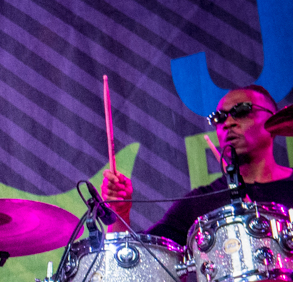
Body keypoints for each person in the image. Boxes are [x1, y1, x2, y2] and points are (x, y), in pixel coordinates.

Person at [102, 84, 292, 242]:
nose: (228, 123)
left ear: (274, 120)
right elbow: (136, 258)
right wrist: (119, 212)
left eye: (241, 111)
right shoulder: (201, 204)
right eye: (219, 118)